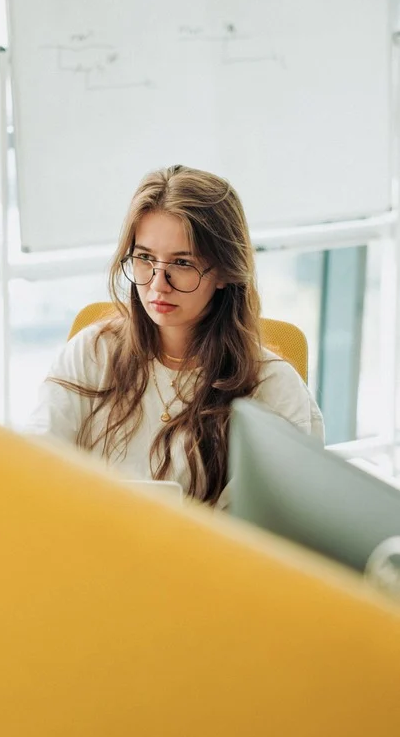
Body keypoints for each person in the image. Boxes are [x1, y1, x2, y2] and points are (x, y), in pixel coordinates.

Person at [26, 165, 324, 509]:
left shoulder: (274, 389)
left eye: (182, 263)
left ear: (225, 272)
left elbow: (263, 533)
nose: (156, 284)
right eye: (144, 258)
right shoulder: (92, 353)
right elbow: (34, 465)